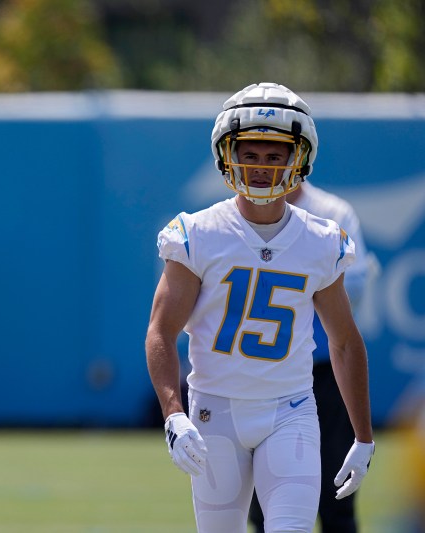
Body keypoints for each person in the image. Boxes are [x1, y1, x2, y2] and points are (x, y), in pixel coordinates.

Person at [144, 82, 374, 532]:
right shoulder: (198, 233)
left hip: (290, 410)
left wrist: (363, 436)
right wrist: (174, 414)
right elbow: (160, 332)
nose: (261, 168)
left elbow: (345, 342)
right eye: (249, 154)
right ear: (227, 155)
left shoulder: (322, 239)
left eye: (275, 156)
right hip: (214, 411)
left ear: (298, 159)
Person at [248, 181, 372, 531]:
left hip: (322, 367)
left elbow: (356, 287)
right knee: (263, 498)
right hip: (265, 372)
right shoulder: (235, 215)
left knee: (337, 483)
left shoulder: (333, 213)